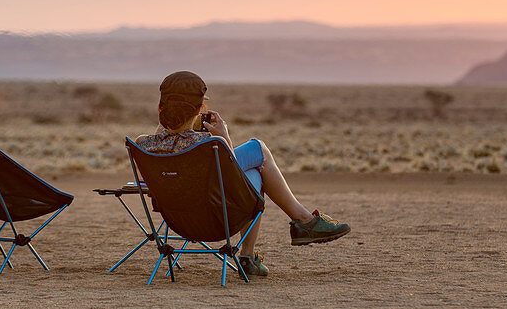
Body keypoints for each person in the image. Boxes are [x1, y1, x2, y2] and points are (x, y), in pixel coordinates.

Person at [134, 70, 350, 278]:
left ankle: (255, 254)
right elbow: (233, 178)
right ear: (200, 108)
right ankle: (296, 225)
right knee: (258, 152)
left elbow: (164, 153)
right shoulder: (209, 145)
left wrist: (170, 126)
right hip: (218, 221)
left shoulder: (143, 145)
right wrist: (224, 137)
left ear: (160, 108)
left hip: (179, 221)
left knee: (255, 174)